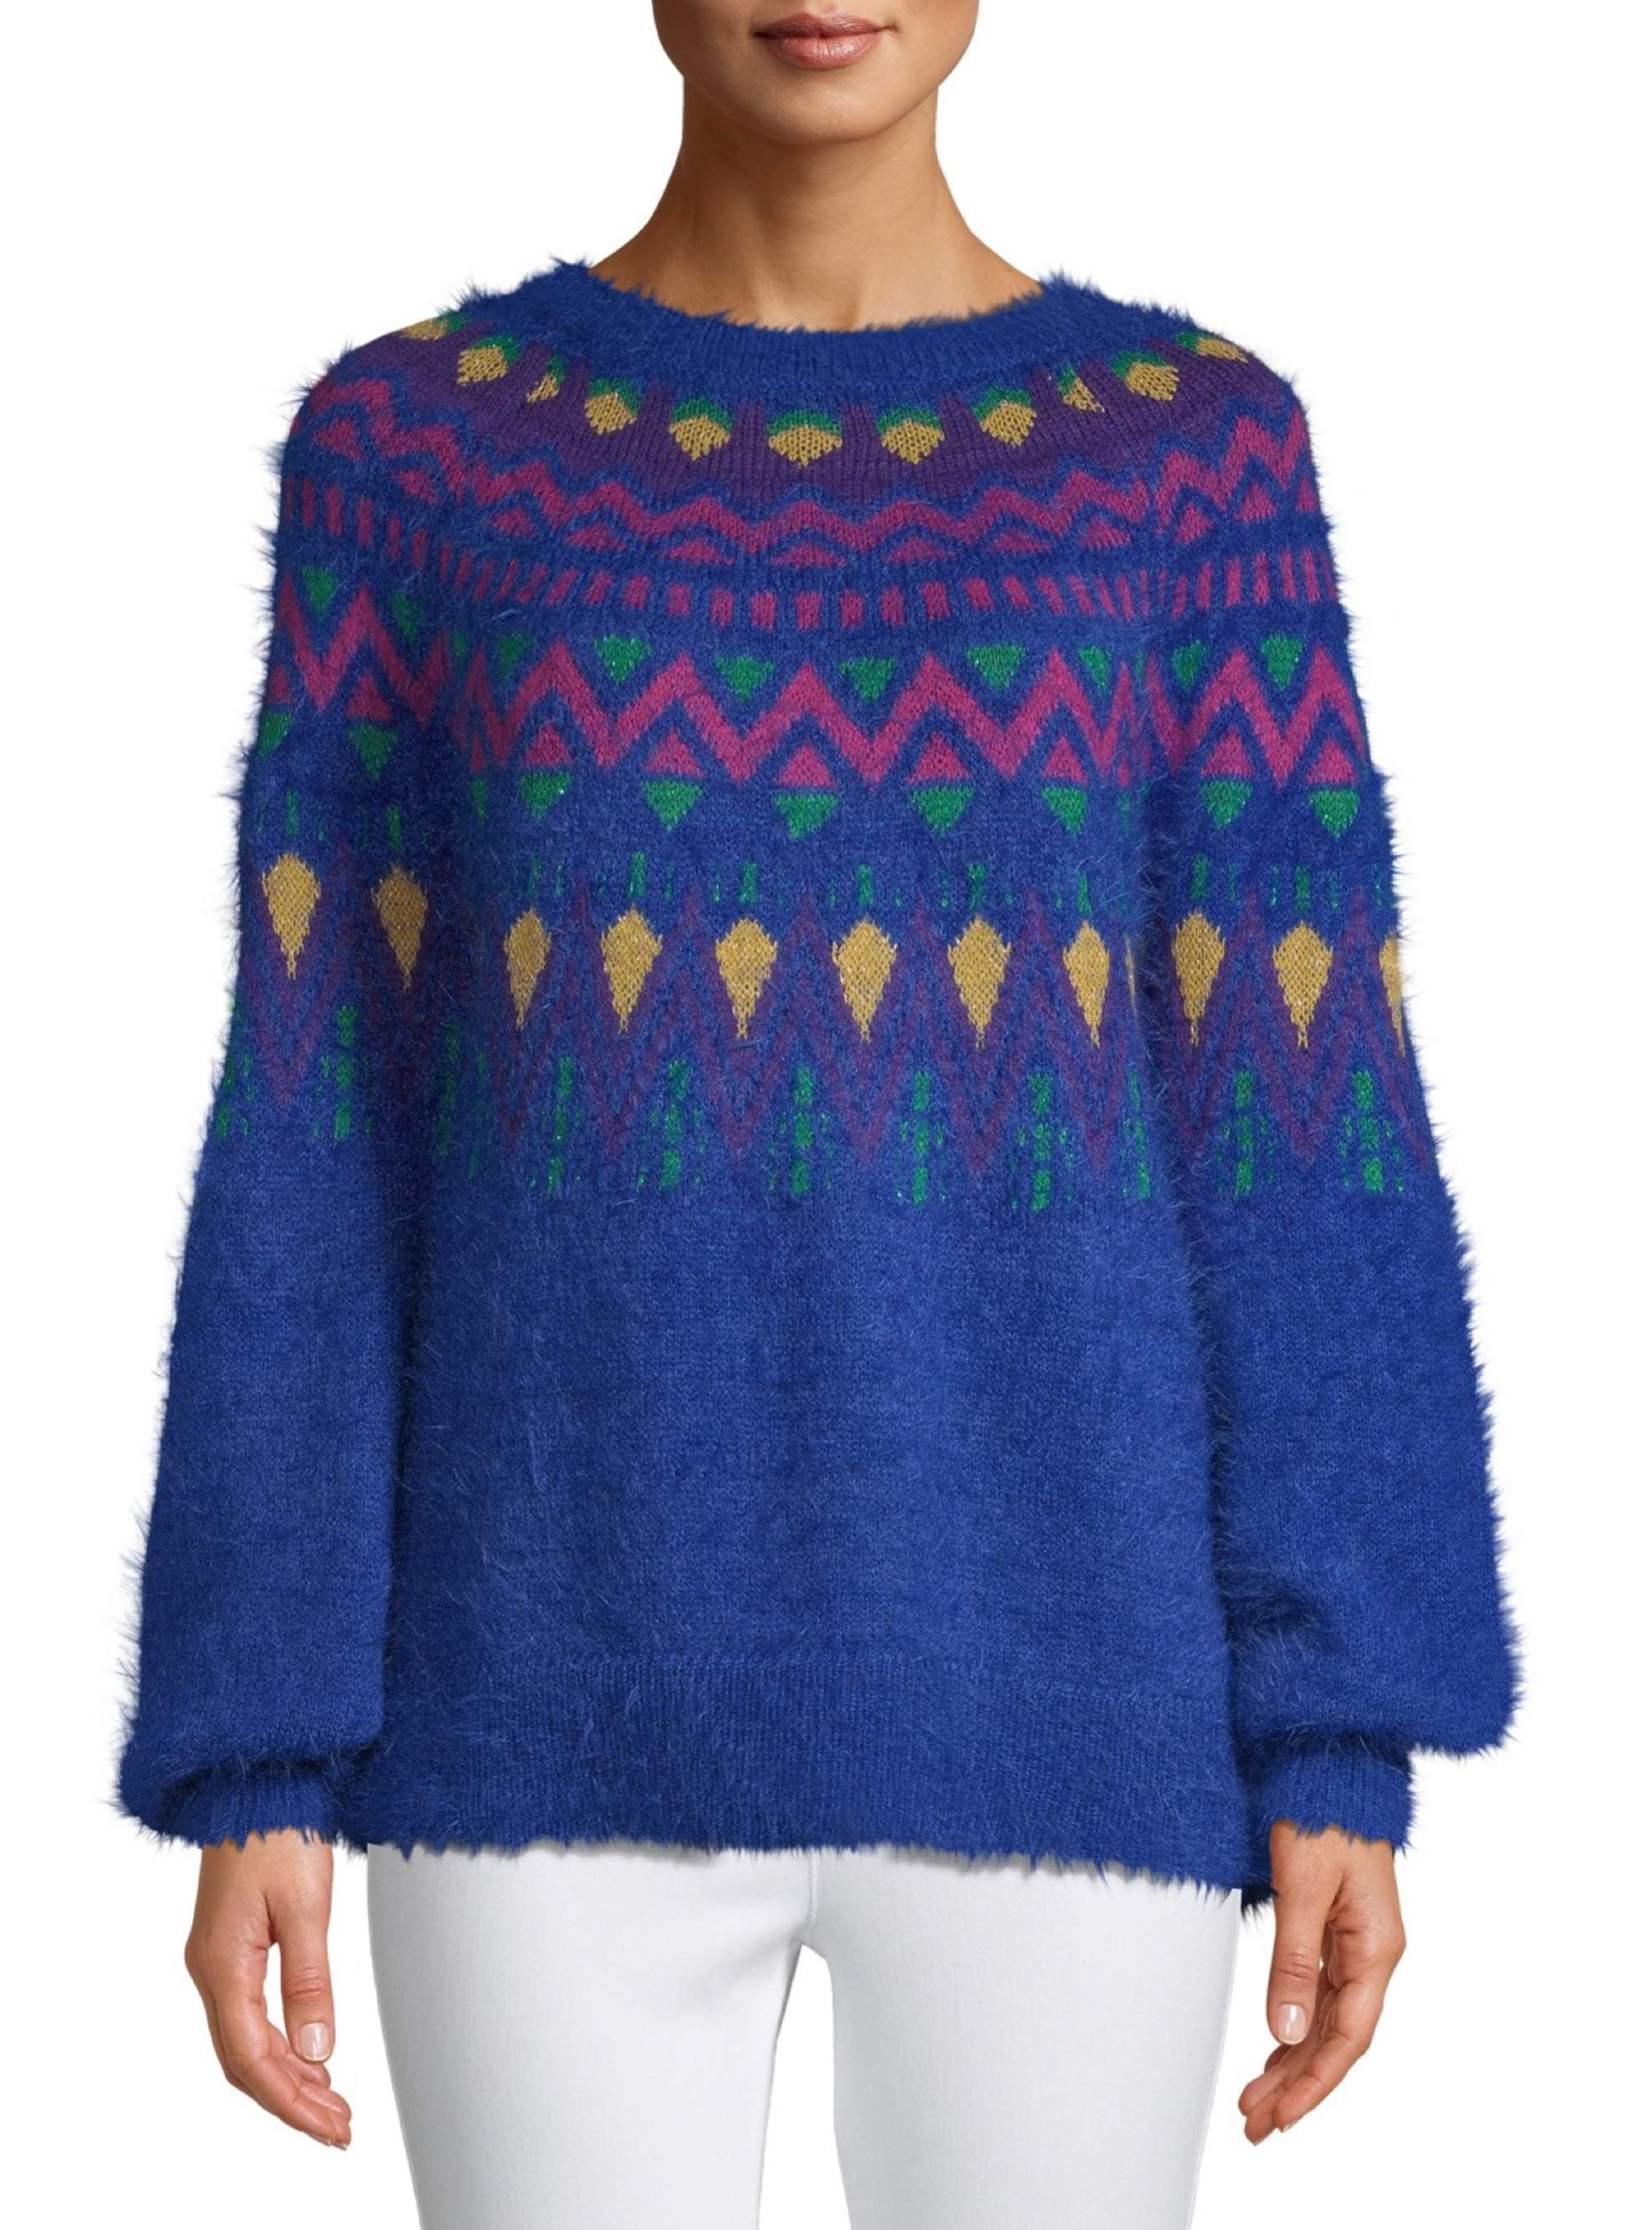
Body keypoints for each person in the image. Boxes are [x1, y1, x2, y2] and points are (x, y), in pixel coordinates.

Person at [117, 4, 1517, 2223]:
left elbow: (1299, 1116)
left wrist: (1340, 1721)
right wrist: (257, 1731)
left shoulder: (1189, 459)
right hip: (533, 1719)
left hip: (1073, 1705)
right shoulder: (421, 452)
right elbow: (323, 1119)